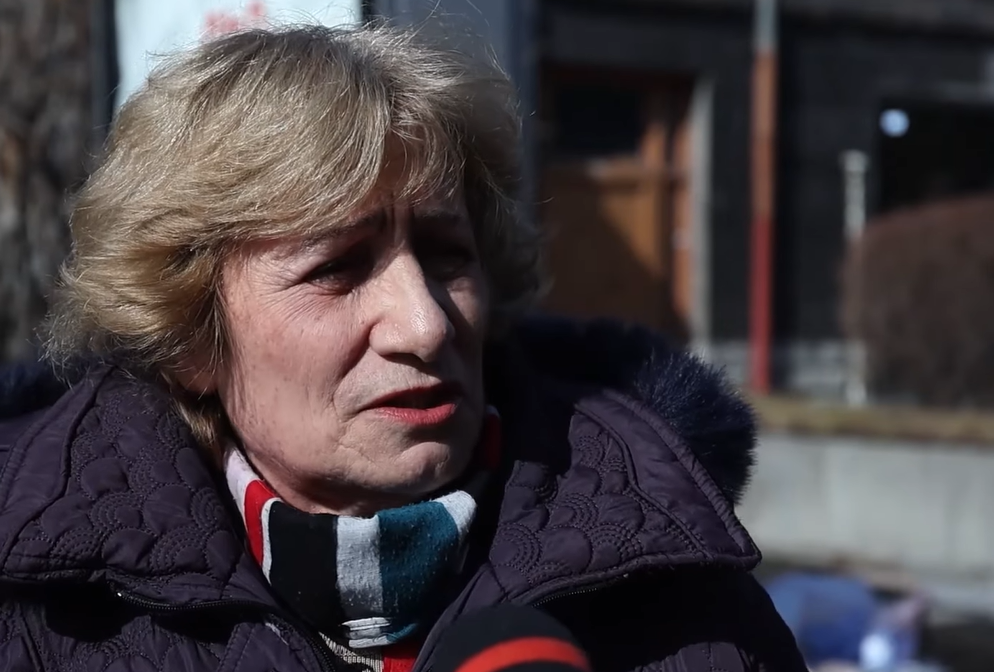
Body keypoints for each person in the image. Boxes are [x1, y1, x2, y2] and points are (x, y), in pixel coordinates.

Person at [0, 24, 806, 672]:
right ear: (189, 338)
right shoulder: (40, 618)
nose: (425, 325)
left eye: (447, 254)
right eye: (338, 268)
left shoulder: (682, 601)